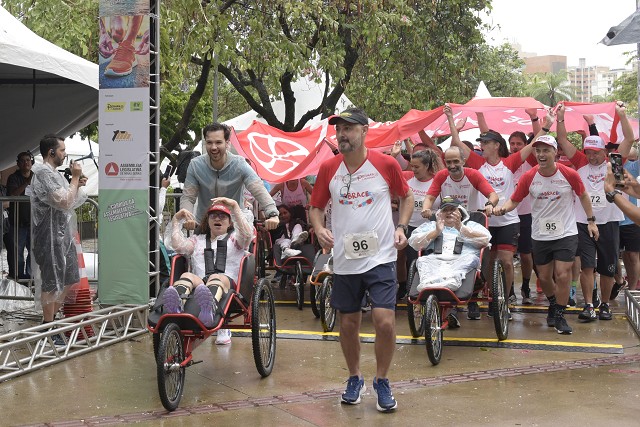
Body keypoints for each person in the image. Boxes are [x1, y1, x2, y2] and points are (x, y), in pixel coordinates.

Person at [309, 107, 414, 413]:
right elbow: (316, 206)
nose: (342, 133)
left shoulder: (385, 163)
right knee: (348, 323)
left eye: (349, 128)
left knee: (384, 322)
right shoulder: (329, 168)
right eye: (339, 129)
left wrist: (401, 226)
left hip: (380, 256)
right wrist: (319, 228)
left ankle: (382, 380)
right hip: (344, 260)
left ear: (364, 131)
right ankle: (355, 377)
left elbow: (406, 196)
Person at [494, 130, 599, 335]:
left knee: (562, 273)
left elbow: (584, 195)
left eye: (546, 151)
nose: (541, 155)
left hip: (566, 232)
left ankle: (559, 314)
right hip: (540, 233)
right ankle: (553, 303)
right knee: (543, 277)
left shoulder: (568, 174)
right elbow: (514, 200)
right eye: (538, 151)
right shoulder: (529, 176)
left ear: (555, 153)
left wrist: (591, 221)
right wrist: (502, 208)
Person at [447, 105, 537, 316]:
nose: (482, 146)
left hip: (507, 220)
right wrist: (452, 121)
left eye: (485, 143)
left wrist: (546, 123)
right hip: (483, 221)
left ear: (496, 145)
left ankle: (503, 301)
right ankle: (483, 295)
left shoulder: (510, 163)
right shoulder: (477, 163)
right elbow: (457, 143)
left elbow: (533, 145)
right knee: (486, 262)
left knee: (506, 261)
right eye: (481, 143)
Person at [556, 102, 633, 322]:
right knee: (587, 267)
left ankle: (605, 305)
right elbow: (562, 140)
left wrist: (622, 115)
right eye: (588, 152)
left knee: (608, 268)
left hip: (609, 222)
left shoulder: (614, 162)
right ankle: (589, 305)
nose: (591, 157)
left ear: (604, 151)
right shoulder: (580, 161)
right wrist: (560, 118)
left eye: (596, 153)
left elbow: (628, 139)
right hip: (583, 221)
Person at [422, 134, 499, 320]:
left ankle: (472, 296)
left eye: (456, 161)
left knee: (473, 257)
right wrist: (426, 208)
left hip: (471, 221)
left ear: (463, 161)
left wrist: (490, 204)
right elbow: (430, 197)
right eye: (448, 162)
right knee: (446, 257)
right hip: (448, 222)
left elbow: (493, 194)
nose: (452, 165)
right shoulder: (441, 176)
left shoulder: (472, 175)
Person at [162, 198, 254, 345]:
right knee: (186, 275)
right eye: (213, 216)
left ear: (230, 222)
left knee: (217, 277)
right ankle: (175, 307)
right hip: (201, 285)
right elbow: (177, 246)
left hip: (227, 285)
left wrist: (235, 207)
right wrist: (176, 220)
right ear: (208, 221)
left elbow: (247, 235)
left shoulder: (235, 240)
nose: (217, 218)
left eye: (222, 216)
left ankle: (210, 308)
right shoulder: (197, 239)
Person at [31, 135, 88, 346]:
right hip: (49, 235)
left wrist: (77, 184)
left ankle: (51, 322)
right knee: (51, 280)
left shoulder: (54, 174)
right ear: (51, 152)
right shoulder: (43, 173)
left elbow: (71, 199)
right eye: (62, 150)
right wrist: (74, 179)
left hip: (63, 235)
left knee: (70, 276)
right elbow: (64, 201)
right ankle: (48, 328)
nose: (65, 154)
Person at [180, 123, 280, 231]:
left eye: (218, 142)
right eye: (209, 143)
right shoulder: (195, 165)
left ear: (227, 143)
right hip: (205, 224)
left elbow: (258, 189)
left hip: (233, 226)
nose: (213, 147)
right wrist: (187, 217)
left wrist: (272, 213)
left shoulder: (239, 164)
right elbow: (188, 196)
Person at [408, 197, 491, 292]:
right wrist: (436, 231)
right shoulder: (432, 226)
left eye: (452, 209)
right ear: (439, 214)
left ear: (460, 211)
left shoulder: (471, 225)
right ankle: (427, 284)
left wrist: (461, 228)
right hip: (436, 260)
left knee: (469, 260)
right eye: (445, 210)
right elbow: (414, 242)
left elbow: (485, 239)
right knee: (422, 260)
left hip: (463, 259)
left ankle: (451, 282)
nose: (449, 212)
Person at [6, 151, 34, 280]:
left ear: (31, 162)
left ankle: (30, 277)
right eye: (22, 161)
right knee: (17, 253)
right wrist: (26, 182)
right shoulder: (13, 177)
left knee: (34, 251)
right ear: (18, 163)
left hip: (34, 222)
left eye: (28, 160)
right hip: (18, 222)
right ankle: (18, 277)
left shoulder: (36, 176)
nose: (26, 163)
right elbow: (12, 195)